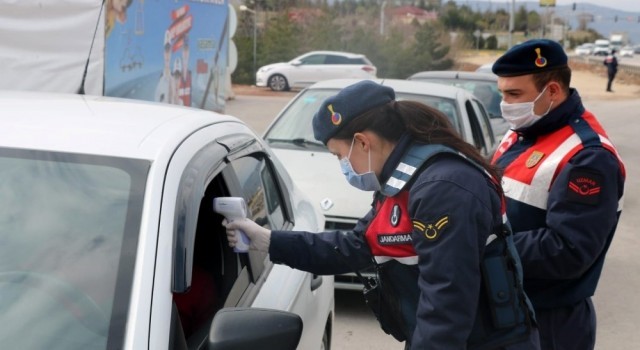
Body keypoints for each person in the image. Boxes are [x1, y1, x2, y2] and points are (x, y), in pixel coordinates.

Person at [224, 80, 540, 349]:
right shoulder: (399, 180)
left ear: (362, 142)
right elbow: (357, 245)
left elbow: (446, 306)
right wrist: (268, 240)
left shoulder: (442, 189)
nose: (342, 166)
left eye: (339, 155)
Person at [491, 39, 626, 350]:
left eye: (514, 94)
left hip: (549, 324)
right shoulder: (520, 132)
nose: (506, 104)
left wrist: (483, 245)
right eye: (502, 94)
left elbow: (568, 250)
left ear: (551, 91)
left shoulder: (587, 158)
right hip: (508, 311)